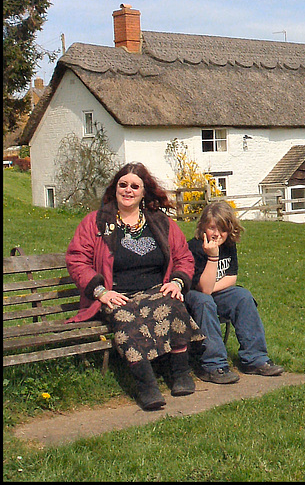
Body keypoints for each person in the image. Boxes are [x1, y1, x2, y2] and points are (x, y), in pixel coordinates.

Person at [66, 162, 205, 410]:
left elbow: (184, 257)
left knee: (174, 305)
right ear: (115, 188)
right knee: (125, 318)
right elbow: (77, 260)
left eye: (134, 186)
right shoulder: (96, 223)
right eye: (123, 185)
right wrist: (101, 292)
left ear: (144, 192)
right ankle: (147, 386)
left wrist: (177, 281)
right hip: (117, 294)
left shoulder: (160, 223)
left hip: (156, 290)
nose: (128, 190)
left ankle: (180, 373)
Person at [185, 200, 284, 384]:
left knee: (243, 297)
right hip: (193, 297)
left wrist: (214, 289)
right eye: (212, 228)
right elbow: (203, 290)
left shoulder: (228, 245)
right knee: (205, 302)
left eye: (222, 229)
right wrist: (213, 256)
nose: (216, 234)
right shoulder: (195, 248)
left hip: (214, 291)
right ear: (203, 227)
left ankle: (255, 359)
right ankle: (213, 365)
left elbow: (231, 278)